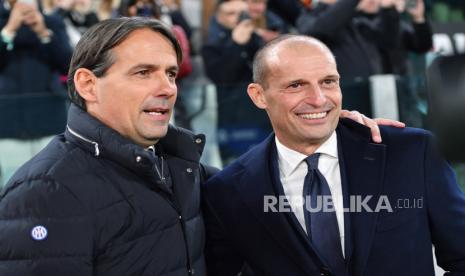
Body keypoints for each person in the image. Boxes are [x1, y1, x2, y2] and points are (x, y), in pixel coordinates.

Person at [202, 35, 465, 276]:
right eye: (296, 85)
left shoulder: (412, 153)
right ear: (259, 95)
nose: (318, 99)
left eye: (328, 82)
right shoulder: (228, 191)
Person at [0, 17, 210, 275]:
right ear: (88, 85)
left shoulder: (182, 163)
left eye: (171, 74)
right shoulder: (44, 192)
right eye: (143, 73)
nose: (168, 88)